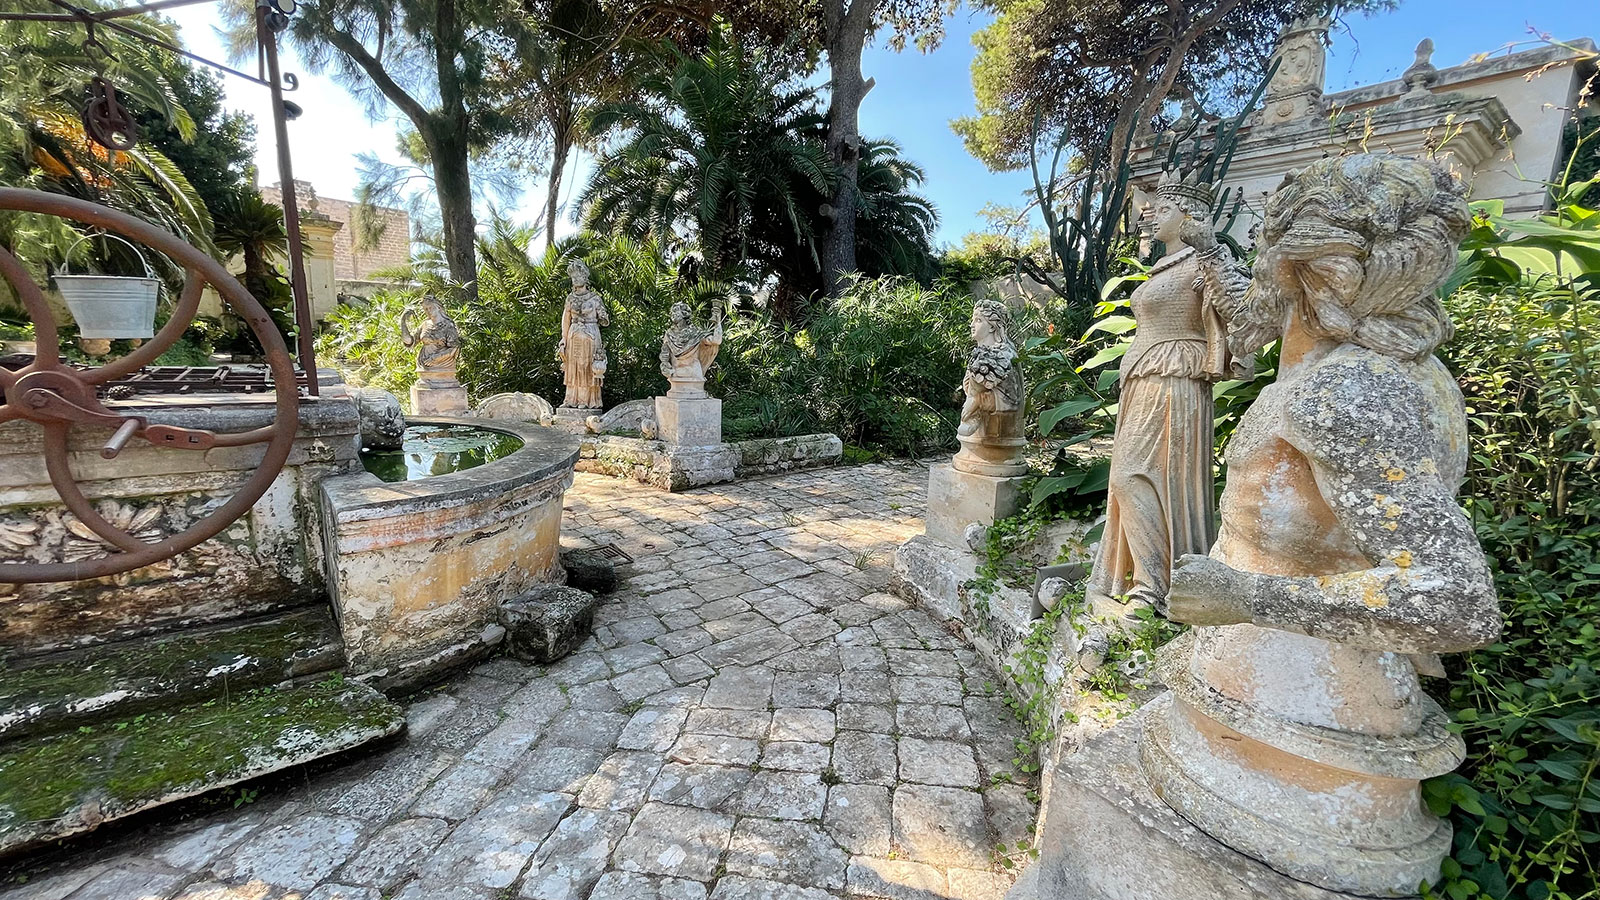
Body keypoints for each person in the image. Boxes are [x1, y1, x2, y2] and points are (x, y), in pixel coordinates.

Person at [1086, 169, 1249, 609]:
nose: (1150, 215)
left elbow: (1245, 314)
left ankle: (1154, 587)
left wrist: (1213, 259)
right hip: (1145, 378)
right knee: (1131, 477)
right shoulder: (1164, 266)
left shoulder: (1204, 262)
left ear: (1190, 215)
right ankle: (1147, 577)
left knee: (1133, 476)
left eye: (1164, 209)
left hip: (1174, 378)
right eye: (1152, 208)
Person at [558, 260, 609, 409]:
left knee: (587, 368)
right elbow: (565, 318)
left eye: (578, 276)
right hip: (573, 336)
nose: (575, 279)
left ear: (585, 278)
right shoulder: (570, 298)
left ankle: (587, 401)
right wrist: (563, 339)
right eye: (573, 277)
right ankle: (571, 400)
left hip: (590, 335)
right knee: (573, 368)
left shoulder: (594, 298)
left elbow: (605, 320)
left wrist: (602, 316)